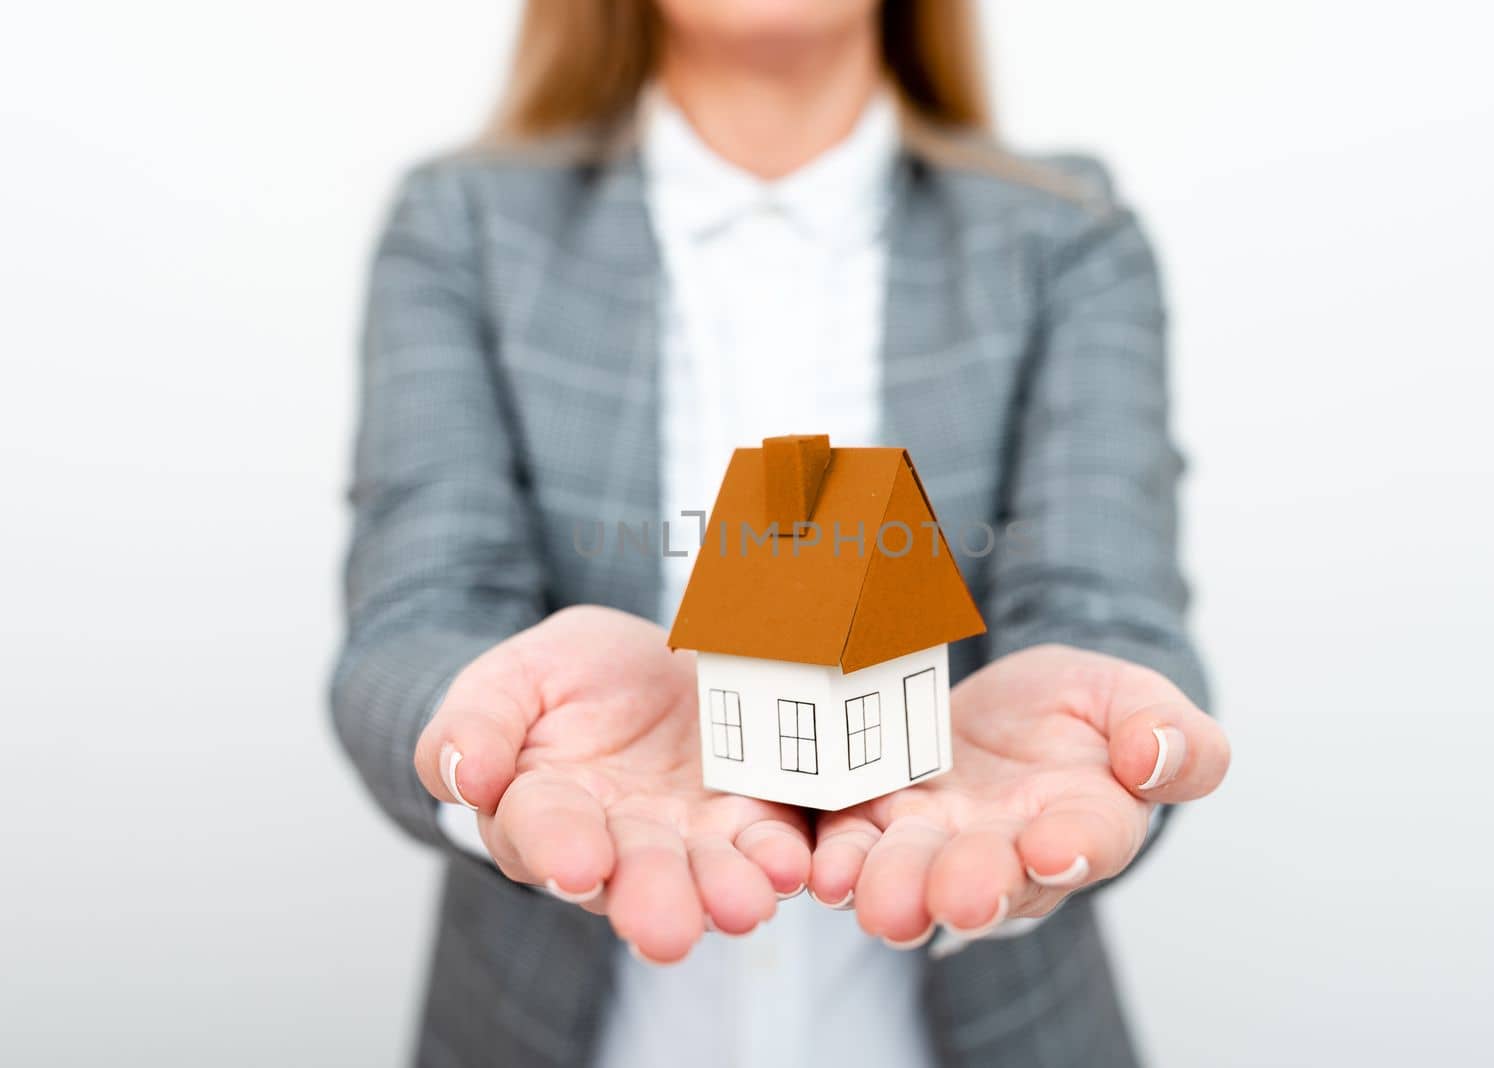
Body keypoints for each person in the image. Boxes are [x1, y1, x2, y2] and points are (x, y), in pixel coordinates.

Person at [331, 1, 1231, 1065]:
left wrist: (1096, 733)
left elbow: (1104, 606)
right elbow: (417, 615)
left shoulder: (1068, 233)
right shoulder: (462, 224)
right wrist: (494, 739)